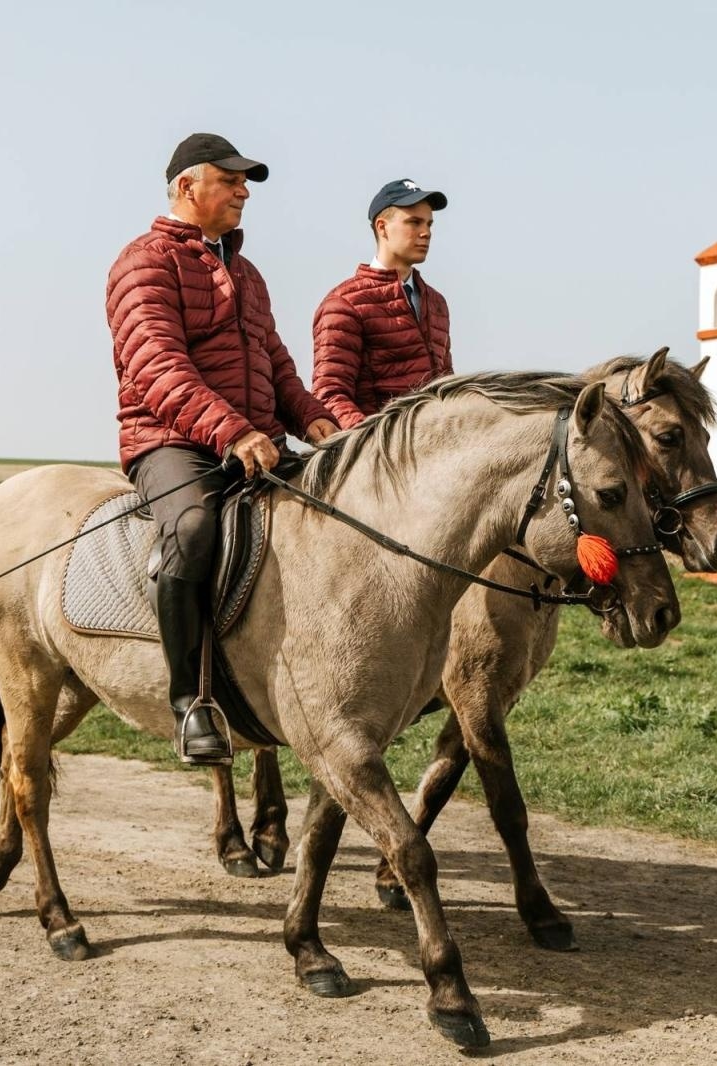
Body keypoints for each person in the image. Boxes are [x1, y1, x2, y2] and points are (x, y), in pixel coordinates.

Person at [106, 133, 338, 764]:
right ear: (188, 187)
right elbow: (156, 365)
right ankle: (190, 703)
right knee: (193, 525)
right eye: (231, 181)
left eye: (246, 184)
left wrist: (313, 418)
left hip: (253, 441)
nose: (243, 192)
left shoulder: (246, 272)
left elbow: (276, 361)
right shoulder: (144, 262)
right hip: (171, 441)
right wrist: (230, 430)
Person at [312, 179, 452, 429]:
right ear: (382, 227)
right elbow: (330, 395)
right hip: (379, 460)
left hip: (437, 454)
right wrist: (377, 446)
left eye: (429, 224)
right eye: (414, 222)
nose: (426, 232)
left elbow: (447, 388)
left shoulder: (437, 303)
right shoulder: (344, 303)